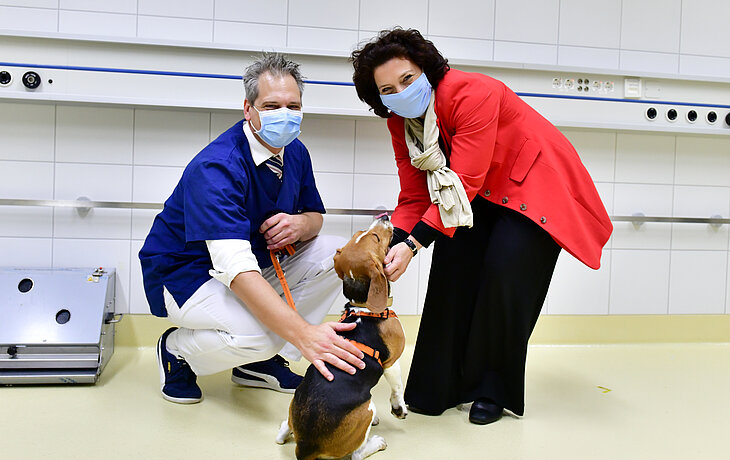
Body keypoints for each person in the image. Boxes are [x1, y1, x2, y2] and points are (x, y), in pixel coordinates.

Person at [350, 29, 612, 425]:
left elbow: (466, 181)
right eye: (388, 89)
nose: (400, 92)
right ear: (379, 98)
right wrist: (393, 241)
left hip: (532, 188)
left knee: (506, 274)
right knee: (452, 269)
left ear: (426, 69)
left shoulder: (473, 92)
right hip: (475, 196)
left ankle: (493, 390)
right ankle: (439, 387)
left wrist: (415, 244)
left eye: (407, 79)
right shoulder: (401, 124)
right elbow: (416, 196)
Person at [139, 52, 365, 404]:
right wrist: (305, 335)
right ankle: (177, 350)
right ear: (249, 109)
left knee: (336, 254)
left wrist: (301, 223)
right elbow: (237, 269)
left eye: (294, 105)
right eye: (272, 106)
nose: (285, 115)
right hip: (186, 274)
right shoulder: (217, 167)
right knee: (260, 335)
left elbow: (316, 217)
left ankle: (257, 364)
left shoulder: (295, 152)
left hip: (250, 266)